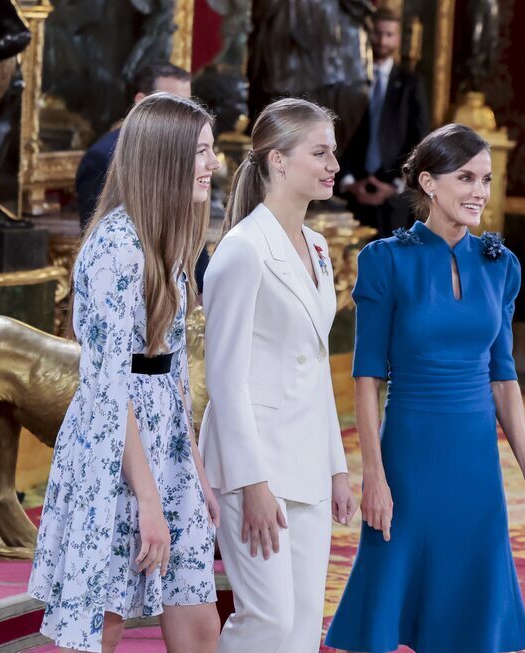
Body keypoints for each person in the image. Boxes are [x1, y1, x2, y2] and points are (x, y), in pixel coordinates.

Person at [325, 123, 525, 653]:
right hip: (409, 452)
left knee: (469, 615)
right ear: (429, 183)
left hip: (475, 461)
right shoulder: (385, 261)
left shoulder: (502, 266)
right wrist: (375, 479)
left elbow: (504, 376)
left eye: (487, 179)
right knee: (389, 606)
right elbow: (367, 379)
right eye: (466, 178)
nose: (480, 191)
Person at [28, 92, 222, 653]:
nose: (212, 164)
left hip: (165, 438)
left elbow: (173, 369)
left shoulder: (173, 237)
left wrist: (194, 473)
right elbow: (112, 386)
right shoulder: (117, 245)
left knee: (199, 615)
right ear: (165, 157)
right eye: (202, 152)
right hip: (115, 449)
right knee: (102, 622)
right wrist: (149, 501)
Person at [199, 97, 357, 653]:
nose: (333, 164)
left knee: (299, 627)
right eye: (320, 152)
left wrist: (336, 467)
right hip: (255, 466)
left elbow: (315, 369)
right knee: (266, 619)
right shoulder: (242, 251)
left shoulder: (317, 246)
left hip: (309, 463)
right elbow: (225, 381)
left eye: (333, 152)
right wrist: (253, 483)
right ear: (278, 161)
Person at [75, 62, 210, 295]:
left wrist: (202, 287)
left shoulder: (188, 156)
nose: (183, 114)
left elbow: (188, 229)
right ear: (141, 102)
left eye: (187, 104)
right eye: (172, 103)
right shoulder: (118, 241)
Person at [339, 7, 430, 237]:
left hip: (394, 193)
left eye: (389, 34)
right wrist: (349, 181)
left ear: (398, 38)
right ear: (370, 35)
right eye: (378, 33)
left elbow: (420, 137)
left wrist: (398, 184)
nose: (382, 40)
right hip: (353, 189)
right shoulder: (350, 80)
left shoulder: (410, 82)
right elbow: (341, 129)